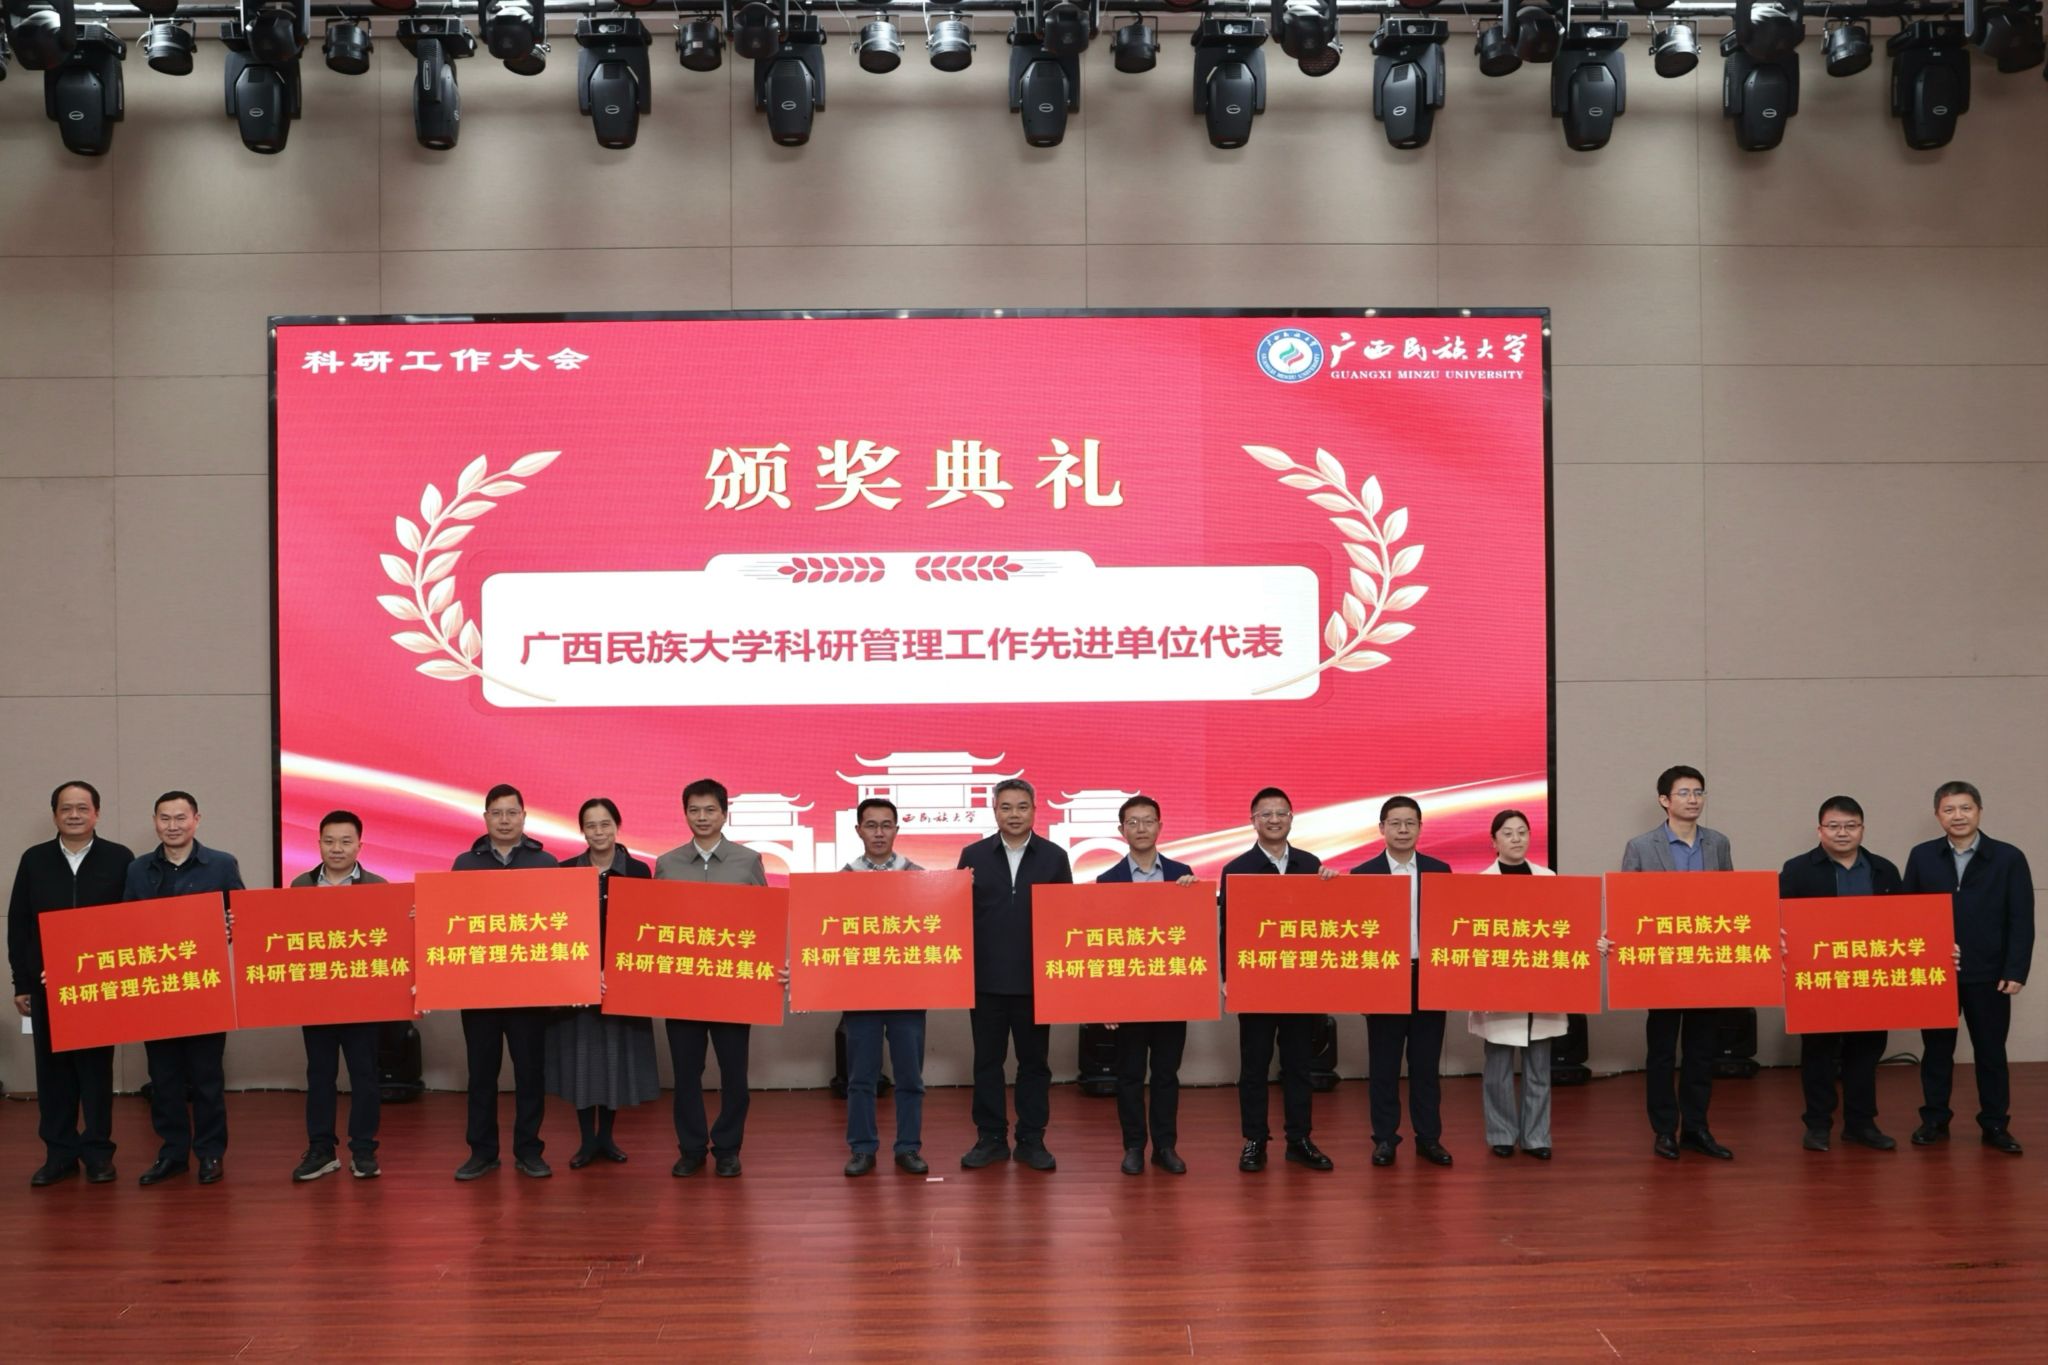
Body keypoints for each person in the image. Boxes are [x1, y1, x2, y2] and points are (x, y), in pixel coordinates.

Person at [9, 781, 134, 1188]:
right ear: (55, 815)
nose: (75, 815)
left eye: (83, 808)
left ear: (97, 813)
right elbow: (19, 923)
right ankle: (59, 1154)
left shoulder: (119, 858)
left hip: (99, 987)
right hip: (47, 986)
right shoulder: (34, 860)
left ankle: (98, 1153)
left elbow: (134, 922)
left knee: (96, 1073)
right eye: (66, 808)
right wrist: (22, 982)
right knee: (53, 1074)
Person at [1905, 781, 2033, 1155]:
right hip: (1936, 973)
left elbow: (2021, 919)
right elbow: (1907, 914)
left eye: (1965, 808)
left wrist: (2016, 970)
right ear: (1937, 815)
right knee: (1936, 1051)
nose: (1958, 816)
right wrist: (1921, 957)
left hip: (1990, 974)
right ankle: (1934, 1119)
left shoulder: (2008, 857)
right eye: (1949, 809)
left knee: (1990, 1052)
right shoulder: (1922, 856)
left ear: (1979, 811)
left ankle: (1995, 1124)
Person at [124, 790, 245, 1187]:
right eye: (165, 818)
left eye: (180, 818)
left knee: (207, 1077)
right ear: (155, 822)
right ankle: (172, 1152)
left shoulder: (221, 865)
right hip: (156, 991)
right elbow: (123, 927)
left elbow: (243, 919)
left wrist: (231, 926)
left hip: (204, 989)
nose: (172, 826)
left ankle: (210, 1152)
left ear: (196, 819)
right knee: (164, 1079)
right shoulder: (138, 870)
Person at [1616, 764, 1736, 1161]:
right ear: (1664, 800)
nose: (1693, 799)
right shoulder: (1641, 846)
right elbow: (1627, 906)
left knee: (1702, 1051)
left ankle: (1697, 1128)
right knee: (1663, 1052)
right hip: (1662, 966)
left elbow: (1732, 901)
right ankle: (1665, 1129)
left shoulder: (1718, 843)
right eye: (1684, 793)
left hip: (1705, 963)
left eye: (1698, 792)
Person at [957, 778, 1074, 1173]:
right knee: (987, 1063)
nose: (1014, 814)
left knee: (1034, 1064)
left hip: (1035, 982)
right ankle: (990, 1138)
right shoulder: (973, 855)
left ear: (1035, 811)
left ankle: (1031, 1139)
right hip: (985, 980)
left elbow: (1065, 919)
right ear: (994, 811)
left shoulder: (1054, 857)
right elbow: (958, 915)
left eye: (1022, 807)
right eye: (1005, 807)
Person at [654, 778, 768, 1178]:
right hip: (683, 987)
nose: (702, 817)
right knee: (686, 1074)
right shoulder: (667, 863)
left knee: (734, 1073)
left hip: (732, 986)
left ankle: (728, 1148)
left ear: (724, 813)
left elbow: (764, 923)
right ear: (685, 814)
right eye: (694, 810)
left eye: (710, 810)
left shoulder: (748, 861)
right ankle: (690, 1148)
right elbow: (655, 925)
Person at [1779, 795, 1904, 1154]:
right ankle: (1818, 1125)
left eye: (1851, 826)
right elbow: (1778, 918)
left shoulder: (1884, 870)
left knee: (1866, 1053)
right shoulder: (1797, 870)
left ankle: (1861, 1124)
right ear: (1819, 830)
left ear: (1862, 829)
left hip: (1870, 978)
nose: (1842, 833)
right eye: (1833, 826)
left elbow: (1905, 923)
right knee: (1818, 1053)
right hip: (1818, 979)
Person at [1221, 786, 1337, 1174]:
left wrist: (1333, 886)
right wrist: (1227, 977)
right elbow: (1228, 928)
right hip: (1255, 982)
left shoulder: (1311, 863)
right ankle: (1254, 1139)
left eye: (1281, 813)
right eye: (1266, 814)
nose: (1274, 820)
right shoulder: (1236, 868)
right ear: (1253, 821)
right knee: (1254, 1066)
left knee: (1299, 1066)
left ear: (1291, 818)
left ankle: (1299, 1139)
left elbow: (1324, 922)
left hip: (1299, 983)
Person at [450, 783, 559, 1182]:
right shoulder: (465, 863)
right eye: (496, 813)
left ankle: (529, 1150)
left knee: (530, 1074)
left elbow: (561, 924)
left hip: (530, 993)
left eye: (512, 813)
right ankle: (482, 1152)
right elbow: (451, 921)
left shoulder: (546, 863)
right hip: (479, 991)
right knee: (481, 1074)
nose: (504, 820)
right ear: (485, 818)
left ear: (524, 817)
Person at [550, 798, 661, 1170]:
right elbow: (558, 929)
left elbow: (647, 926)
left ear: (617, 826)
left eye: (605, 824)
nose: (598, 832)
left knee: (615, 1061)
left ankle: (608, 1138)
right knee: (582, 1062)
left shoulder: (638, 871)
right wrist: (581, 972)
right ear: (582, 830)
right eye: (591, 825)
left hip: (622, 981)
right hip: (576, 986)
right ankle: (586, 1141)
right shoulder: (564, 871)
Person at [1098, 795, 1198, 1176]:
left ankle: (1165, 1146)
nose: (1141, 828)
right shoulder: (1107, 881)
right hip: (1127, 998)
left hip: (1171, 994)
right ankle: (1134, 1146)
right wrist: (1105, 999)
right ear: (1121, 830)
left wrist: (1194, 895)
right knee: (1129, 1075)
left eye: (1148, 821)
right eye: (1133, 822)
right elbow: (1102, 945)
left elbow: (1194, 935)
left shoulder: (1182, 875)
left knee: (1166, 1075)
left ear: (1160, 826)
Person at [287, 810, 390, 1181]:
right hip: (317, 1000)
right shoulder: (301, 885)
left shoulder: (379, 886)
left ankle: (363, 1149)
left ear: (360, 845)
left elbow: (390, 942)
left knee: (365, 1077)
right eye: (329, 841)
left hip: (363, 1001)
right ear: (318, 844)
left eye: (346, 841)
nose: (337, 848)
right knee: (319, 1076)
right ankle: (321, 1149)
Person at [1354, 796, 1455, 1168]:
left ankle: (1429, 1138)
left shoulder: (1439, 870)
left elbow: (1450, 926)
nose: (1402, 830)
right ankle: (1384, 1139)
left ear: (1420, 828)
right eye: (1395, 823)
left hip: (1428, 978)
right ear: (1382, 828)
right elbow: (1356, 936)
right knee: (1384, 1066)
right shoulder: (1363, 875)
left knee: (1426, 1067)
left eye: (1410, 823)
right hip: (1384, 979)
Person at [838, 797, 928, 1177]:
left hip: (908, 994)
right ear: (858, 830)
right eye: (871, 825)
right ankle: (862, 1148)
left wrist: (960, 891)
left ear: (896, 829)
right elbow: (829, 937)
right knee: (861, 1077)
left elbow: (936, 931)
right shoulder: (842, 880)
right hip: (860, 995)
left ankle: (908, 1147)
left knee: (910, 1077)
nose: (879, 833)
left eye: (886, 825)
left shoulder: (919, 876)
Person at [1473, 809, 1563, 1160]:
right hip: (1497, 986)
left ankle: (1537, 1136)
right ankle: (1501, 1133)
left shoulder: (1548, 878)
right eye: (1508, 833)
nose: (1516, 838)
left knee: (1539, 1065)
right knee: (1497, 1067)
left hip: (1540, 984)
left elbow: (1563, 929)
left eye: (1522, 832)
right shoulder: (1480, 883)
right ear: (1494, 841)